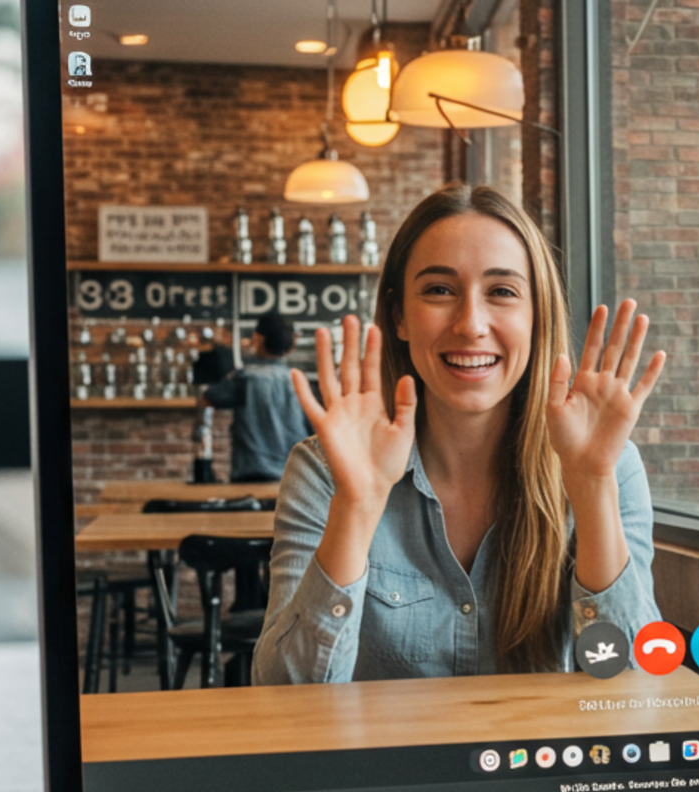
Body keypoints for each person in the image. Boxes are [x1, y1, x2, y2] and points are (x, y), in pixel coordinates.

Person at [253, 184, 667, 683]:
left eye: (502, 292)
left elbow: (632, 687)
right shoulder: (325, 470)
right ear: (400, 316)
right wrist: (357, 507)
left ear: (536, 317)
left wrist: (592, 484)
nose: (471, 324)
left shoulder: (608, 465)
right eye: (439, 291)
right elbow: (284, 695)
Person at [200, 313, 312, 483]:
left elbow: (206, 398)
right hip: (295, 476)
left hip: (253, 473)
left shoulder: (245, 378)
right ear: (290, 345)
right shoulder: (298, 380)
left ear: (258, 339)